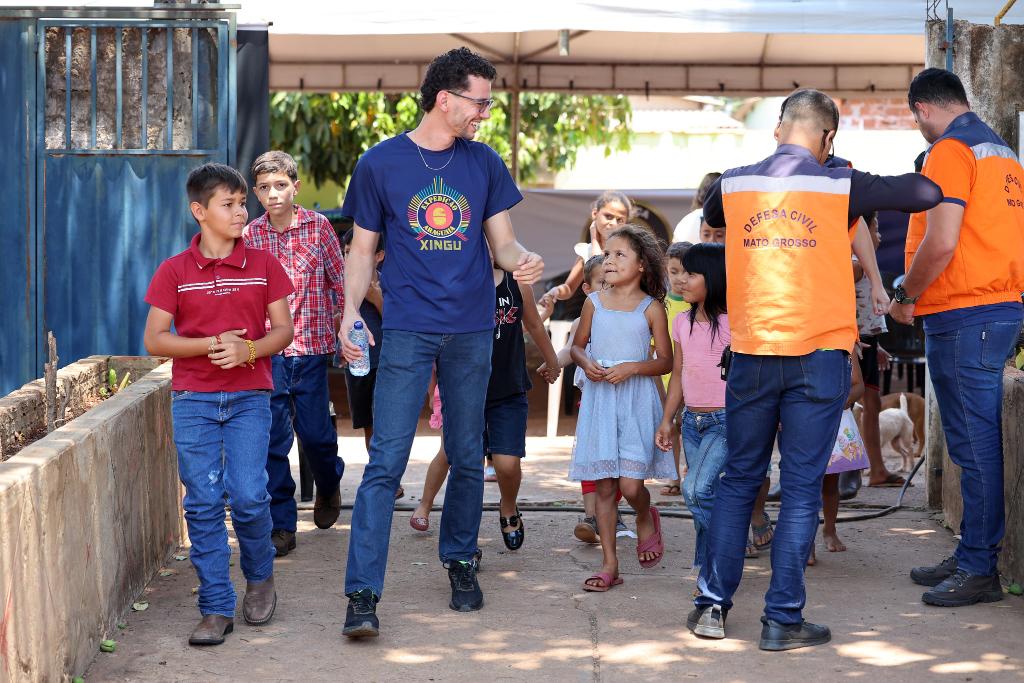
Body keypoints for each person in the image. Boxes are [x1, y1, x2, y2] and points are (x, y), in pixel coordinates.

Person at [686, 88, 942, 650]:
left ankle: (711, 607)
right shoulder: (839, 182)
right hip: (819, 358)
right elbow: (926, 191)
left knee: (738, 482)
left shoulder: (735, 183)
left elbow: (709, 212)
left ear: (779, 129)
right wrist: (848, 178)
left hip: (752, 355)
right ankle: (781, 621)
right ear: (828, 139)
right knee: (802, 488)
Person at [339, 47, 543, 638]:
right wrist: (350, 313)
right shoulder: (380, 163)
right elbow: (361, 250)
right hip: (406, 329)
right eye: (479, 102)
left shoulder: (484, 162)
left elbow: (501, 243)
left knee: (464, 450)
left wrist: (522, 260)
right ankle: (362, 594)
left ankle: (459, 560)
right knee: (386, 461)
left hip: (473, 329)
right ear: (444, 98)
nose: (484, 112)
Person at [142, 163, 294, 646]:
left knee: (249, 495)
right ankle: (214, 606)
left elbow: (283, 331)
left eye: (241, 203)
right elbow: (155, 340)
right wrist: (211, 344)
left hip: (250, 398)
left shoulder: (265, 265)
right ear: (199, 211)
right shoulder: (174, 271)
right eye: (228, 204)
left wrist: (247, 350)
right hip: (194, 402)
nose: (240, 211)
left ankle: (260, 576)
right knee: (204, 503)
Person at [891, 68, 1024, 607]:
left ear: (922, 109)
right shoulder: (1005, 155)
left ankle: (978, 568)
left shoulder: (950, 150)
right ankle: (973, 549)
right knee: (975, 444)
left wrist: (905, 297)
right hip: (996, 307)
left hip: (968, 312)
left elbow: (942, 241)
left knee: (974, 445)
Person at [409, 264, 560, 549]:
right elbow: (434, 337)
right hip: (464, 391)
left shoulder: (516, 281)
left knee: (506, 464)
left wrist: (552, 359)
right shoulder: (453, 279)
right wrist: (432, 388)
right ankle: (466, 545)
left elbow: (534, 324)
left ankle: (508, 504)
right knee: (466, 466)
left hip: (509, 389)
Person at [243, 151, 347, 557]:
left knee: (316, 435)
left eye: (280, 186)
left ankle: (329, 481)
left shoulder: (319, 228)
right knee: (273, 440)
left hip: (311, 350)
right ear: (255, 192)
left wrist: (346, 328)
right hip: (267, 353)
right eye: (265, 188)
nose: (273, 194)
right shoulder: (250, 236)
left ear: (295, 187)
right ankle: (282, 523)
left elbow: (339, 283)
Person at [569, 225, 675, 591]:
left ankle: (646, 514)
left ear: (642, 265)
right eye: (608, 254)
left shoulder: (652, 308)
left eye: (619, 255)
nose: (609, 261)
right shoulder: (593, 303)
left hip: (635, 402)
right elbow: (577, 346)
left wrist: (632, 367)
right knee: (603, 488)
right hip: (600, 401)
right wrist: (586, 363)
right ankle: (610, 564)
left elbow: (666, 362)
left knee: (631, 486)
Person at [538, 255, 634, 542]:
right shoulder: (583, 320)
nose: (609, 288)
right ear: (587, 288)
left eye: (615, 282)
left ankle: (611, 513)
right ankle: (591, 517)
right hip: (593, 402)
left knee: (619, 459)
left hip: (625, 401)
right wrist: (553, 364)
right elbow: (570, 349)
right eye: (602, 283)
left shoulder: (632, 316)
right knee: (593, 457)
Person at [655, 242, 729, 576]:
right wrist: (667, 419)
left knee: (694, 490)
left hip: (726, 421)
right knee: (704, 493)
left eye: (691, 273)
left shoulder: (736, 322)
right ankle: (707, 568)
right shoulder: (681, 322)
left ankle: (726, 549)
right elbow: (679, 375)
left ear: (713, 278)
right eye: (679, 273)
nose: (681, 280)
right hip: (691, 422)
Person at [338, 228, 406, 499]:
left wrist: (376, 297)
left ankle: (391, 478)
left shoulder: (391, 281)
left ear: (378, 255)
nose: (350, 259)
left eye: (355, 252)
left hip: (386, 358)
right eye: (346, 253)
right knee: (367, 419)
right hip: (357, 358)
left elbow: (397, 320)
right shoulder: (341, 282)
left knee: (385, 419)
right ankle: (378, 471)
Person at [851, 213, 905, 491]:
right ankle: (848, 470)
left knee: (872, 407)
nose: (880, 235)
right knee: (851, 406)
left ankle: (877, 469)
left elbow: (866, 313)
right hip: (854, 345)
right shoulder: (854, 266)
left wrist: (878, 344)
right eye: (875, 228)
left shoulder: (866, 265)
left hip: (868, 342)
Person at [809, 360, 867, 565]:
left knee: (831, 481)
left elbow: (858, 384)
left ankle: (829, 529)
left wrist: (837, 404)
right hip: (802, 416)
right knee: (803, 484)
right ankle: (805, 540)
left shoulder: (844, 340)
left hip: (835, 417)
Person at [538, 191, 632, 310]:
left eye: (620, 220)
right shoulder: (586, 252)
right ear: (594, 214)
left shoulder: (629, 253)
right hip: (596, 317)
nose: (613, 223)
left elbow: (600, 266)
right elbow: (568, 288)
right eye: (608, 216)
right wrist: (554, 292)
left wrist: (594, 237)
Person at [659, 242, 692, 497]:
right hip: (668, 379)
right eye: (674, 271)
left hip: (695, 380)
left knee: (690, 427)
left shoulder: (700, 305)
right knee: (670, 426)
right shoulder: (661, 306)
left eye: (687, 272)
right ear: (665, 271)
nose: (680, 279)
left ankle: (692, 473)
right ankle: (672, 476)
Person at [674, 172, 722, 244]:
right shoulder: (725, 221)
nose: (712, 240)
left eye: (719, 235)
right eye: (706, 235)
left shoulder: (684, 222)